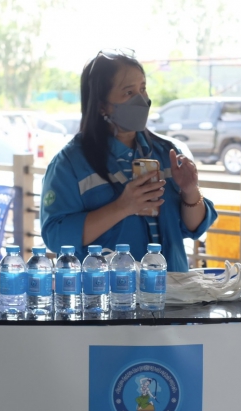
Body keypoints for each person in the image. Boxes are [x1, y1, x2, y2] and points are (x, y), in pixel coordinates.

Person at [40, 49, 217, 271]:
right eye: (128, 92)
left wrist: (190, 191)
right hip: (109, 289)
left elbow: (194, 227)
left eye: (142, 89)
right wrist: (122, 207)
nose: (141, 100)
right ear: (101, 105)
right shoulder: (70, 164)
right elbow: (56, 237)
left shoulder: (166, 153)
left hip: (171, 286)